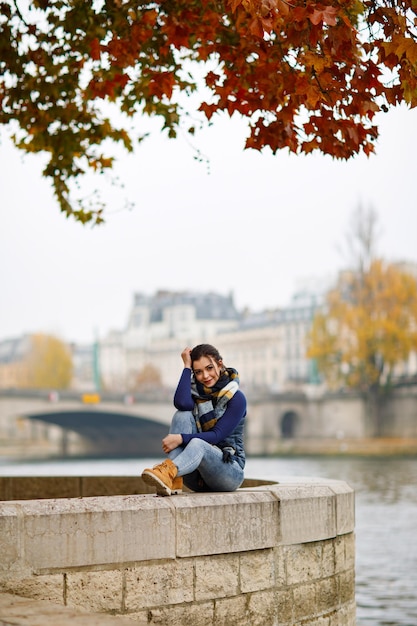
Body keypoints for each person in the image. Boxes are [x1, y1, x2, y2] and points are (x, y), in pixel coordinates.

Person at [141, 344, 246, 496]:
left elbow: (217, 435)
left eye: (209, 368)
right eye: (198, 372)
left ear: (220, 363)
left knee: (198, 444)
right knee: (181, 415)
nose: (205, 376)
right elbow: (182, 403)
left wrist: (181, 438)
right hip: (197, 475)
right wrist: (186, 366)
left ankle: (170, 471)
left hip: (229, 472)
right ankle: (173, 480)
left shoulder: (237, 398)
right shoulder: (197, 393)